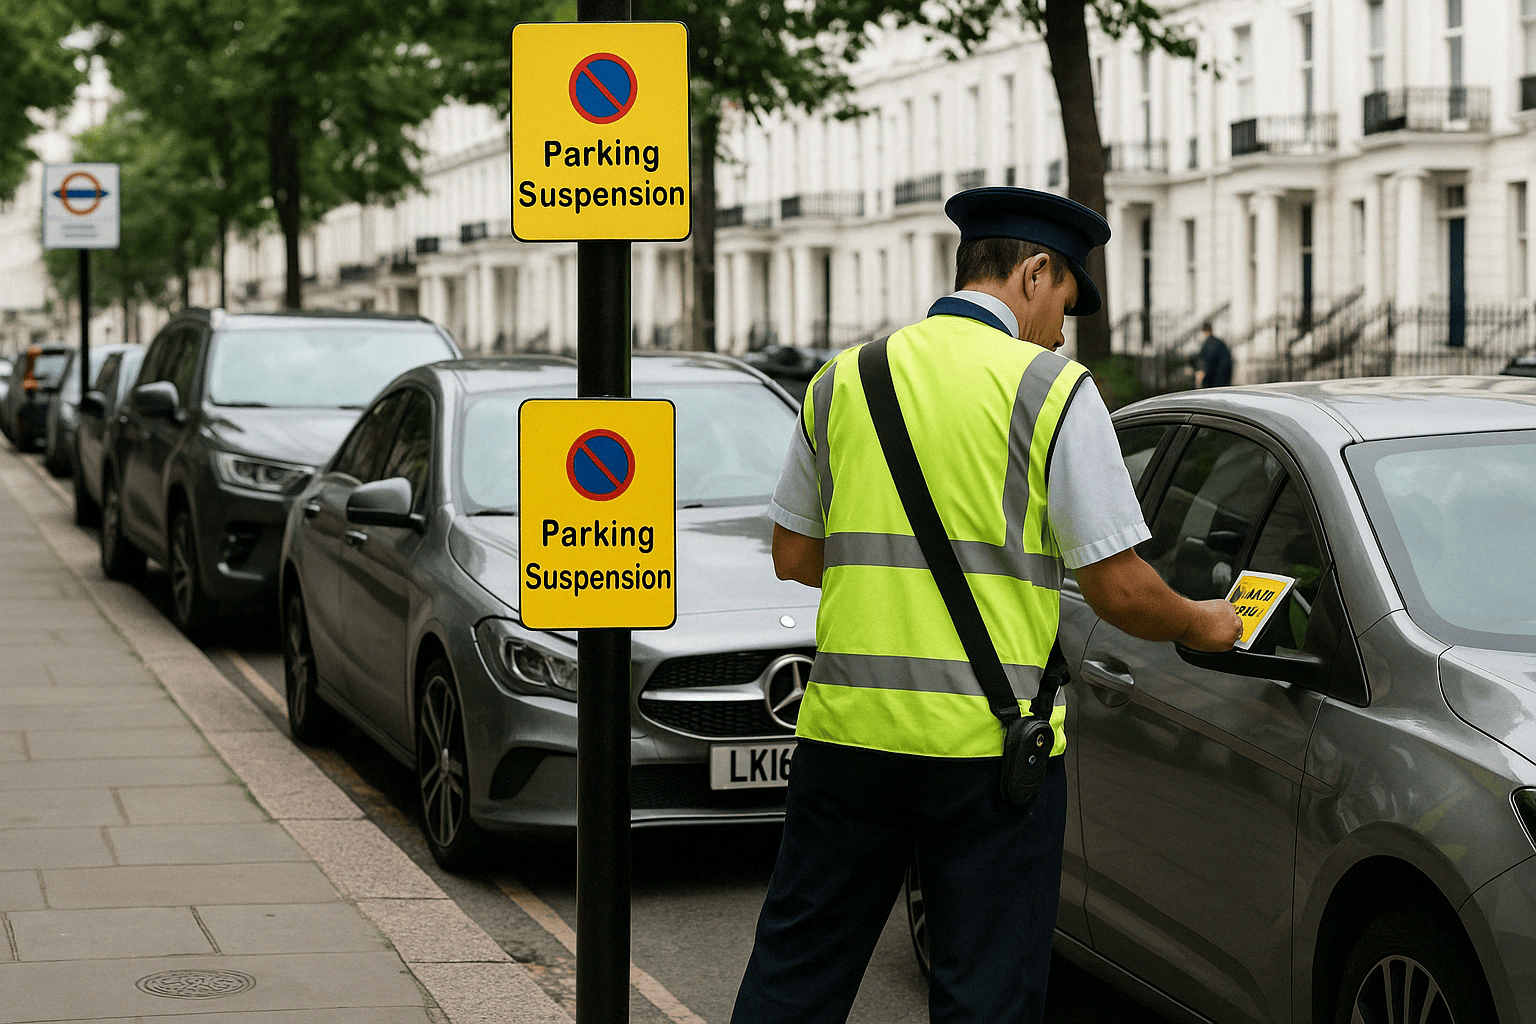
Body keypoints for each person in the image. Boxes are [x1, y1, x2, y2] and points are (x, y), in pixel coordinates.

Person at [731, 186, 1242, 1024]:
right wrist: (1205, 622)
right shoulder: (1053, 391)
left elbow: (794, 555)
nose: (1061, 330)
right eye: (1065, 305)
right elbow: (1117, 589)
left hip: (846, 736)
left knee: (796, 975)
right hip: (989, 750)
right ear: (1036, 272)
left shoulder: (844, 379)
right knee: (986, 997)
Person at [1194, 321, 1233, 388]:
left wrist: (1202, 376)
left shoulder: (1209, 344)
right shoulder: (1220, 343)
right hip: (1224, 380)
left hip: (1215, 382)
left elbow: (1207, 362)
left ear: (1204, 331)